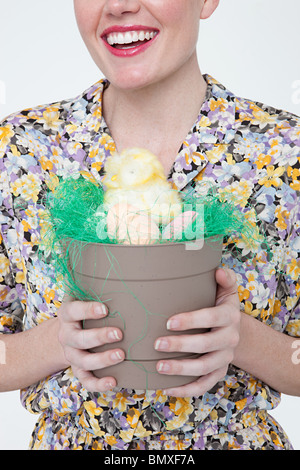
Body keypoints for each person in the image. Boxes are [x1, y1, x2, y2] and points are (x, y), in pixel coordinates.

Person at [0, 0, 299, 451]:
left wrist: (243, 340)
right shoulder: (22, 150)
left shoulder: (285, 154)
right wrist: (57, 343)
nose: (119, 5)